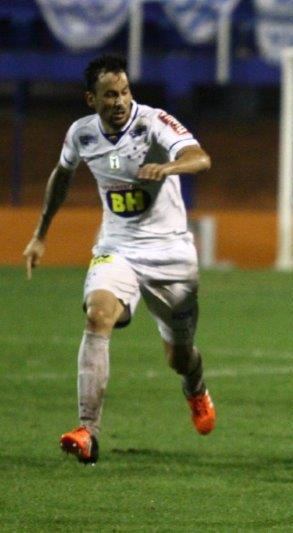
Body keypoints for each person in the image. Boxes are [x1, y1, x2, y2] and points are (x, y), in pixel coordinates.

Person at [22, 54, 215, 464]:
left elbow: (201, 158)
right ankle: (87, 430)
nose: (120, 101)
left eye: (125, 92)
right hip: (117, 248)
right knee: (98, 315)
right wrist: (40, 235)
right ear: (91, 99)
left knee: (179, 357)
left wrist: (168, 166)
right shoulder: (81, 135)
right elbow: (61, 177)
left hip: (170, 253)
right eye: (110, 94)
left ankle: (195, 386)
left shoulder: (153, 121)